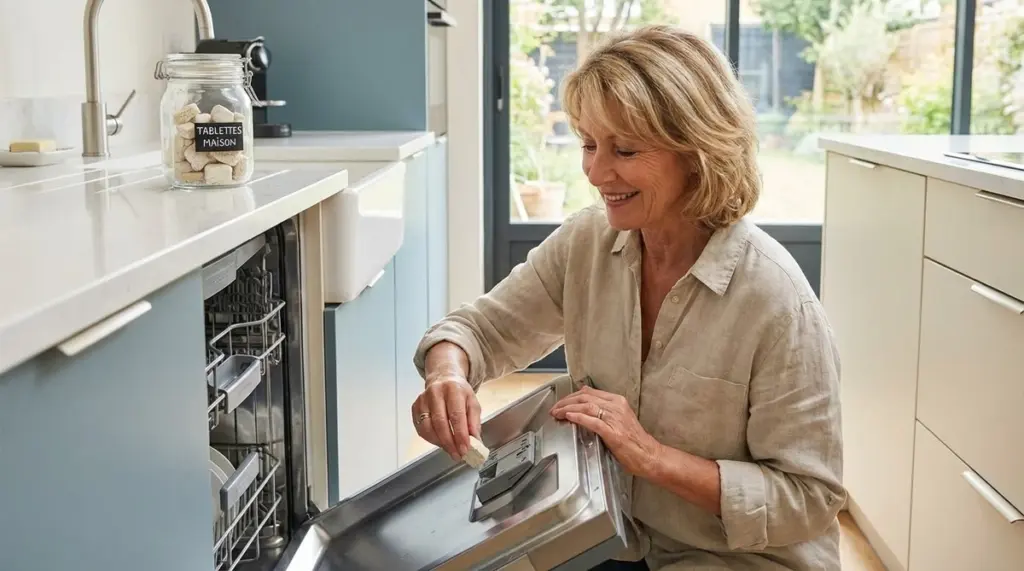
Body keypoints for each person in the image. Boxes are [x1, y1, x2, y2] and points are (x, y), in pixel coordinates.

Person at [410, 24, 846, 571]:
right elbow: (478, 331)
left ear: (697, 151)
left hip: (734, 558)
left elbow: (809, 499)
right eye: (589, 144)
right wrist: (447, 374)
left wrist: (653, 457)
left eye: (626, 149)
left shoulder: (778, 304)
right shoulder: (587, 243)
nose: (595, 171)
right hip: (611, 535)